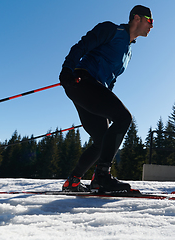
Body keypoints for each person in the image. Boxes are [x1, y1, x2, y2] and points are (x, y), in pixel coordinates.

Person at [59, 5, 153, 192]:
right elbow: (82, 45)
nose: (152, 26)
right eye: (149, 21)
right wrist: (67, 70)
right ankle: (102, 177)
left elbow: (111, 79)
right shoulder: (112, 30)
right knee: (124, 118)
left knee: (103, 140)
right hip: (81, 81)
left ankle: (73, 181)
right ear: (137, 18)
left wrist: (106, 108)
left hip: (94, 88)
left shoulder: (128, 52)